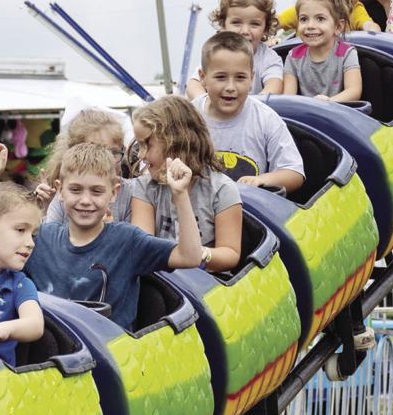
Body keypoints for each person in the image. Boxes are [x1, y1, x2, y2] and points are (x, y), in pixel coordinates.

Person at [25, 143, 204, 330]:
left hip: (112, 352)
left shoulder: (127, 240)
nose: (85, 201)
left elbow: (189, 257)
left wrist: (180, 194)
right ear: (60, 190)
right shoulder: (41, 238)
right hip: (58, 353)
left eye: (96, 191)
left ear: (114, 193)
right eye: (76, 190)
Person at [131, 96, 243, 272]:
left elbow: (231, 254)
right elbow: (143, 245)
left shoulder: (222, 189)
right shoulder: (145, 187)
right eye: (139, 145)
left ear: (177, 142)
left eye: (148, 145)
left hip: (208, 283)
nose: (140, 155)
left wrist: (198, 255)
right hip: (164, 281)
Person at [191, 31, 305, 194]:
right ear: (203, 77)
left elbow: (294, 173)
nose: (230, 87)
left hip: (249, 211)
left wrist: (262, 180)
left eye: (240, 78)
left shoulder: (266, 119)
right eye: (221, 77)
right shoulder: (187, 117)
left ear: (251, 78)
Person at [0, 182, 45, 365]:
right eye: (20, 230)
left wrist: (2, 330)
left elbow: (35, 324)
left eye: (33, 234)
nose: (30, 243)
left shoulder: (18, 284)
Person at [186, 0, 284, 98]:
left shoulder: (268, 58)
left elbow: (274, 86)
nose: (245, 31)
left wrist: (253, 105)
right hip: (219, 111)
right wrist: (204, 101)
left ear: (266, 28)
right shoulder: (216, 53)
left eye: (254, 24)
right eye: (236, 23)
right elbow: (193, 84)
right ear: (223, 24)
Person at [40, 108, 134, 225]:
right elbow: (50, 237)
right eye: (95, 153)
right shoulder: (64, 194)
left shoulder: (133, 193)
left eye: (114, 153)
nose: (107, 161)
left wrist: (110, 231)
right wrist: (44, 209)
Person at [282, 0, 362, 102]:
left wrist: (328, 102)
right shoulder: (293, 56)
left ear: (338, 27)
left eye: (320, 19)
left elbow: (354, 91)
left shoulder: (347, 53)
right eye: (304, 19)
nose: (310, 25)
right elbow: (288, 97)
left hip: (338, 113)